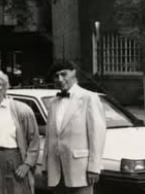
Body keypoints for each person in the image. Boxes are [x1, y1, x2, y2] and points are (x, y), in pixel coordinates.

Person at [43, 59, 106, 193]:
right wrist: (45, 166)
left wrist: (94, 167)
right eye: (56, 76)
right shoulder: (53, 102)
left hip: (81, 169)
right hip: (56, 170)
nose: (60, 79)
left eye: (63, 74)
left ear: (74, 73)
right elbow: (49, 137)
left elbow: (97, 136)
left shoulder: (88, 98)